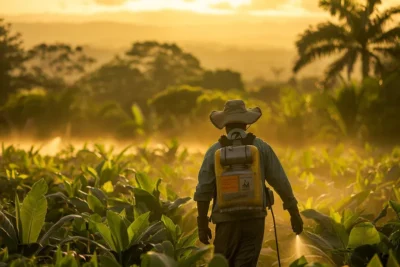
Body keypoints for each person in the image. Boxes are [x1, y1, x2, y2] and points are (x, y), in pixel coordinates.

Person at [194, 99, 303, 267]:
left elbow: (203, 191)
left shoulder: (214, 151)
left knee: (223, 263)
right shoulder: (262, 148)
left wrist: (202, 224)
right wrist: (294, 213)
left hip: (225, 220)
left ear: (225, 125)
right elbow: (281, 182)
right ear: (246, 124)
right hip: (254, 219)